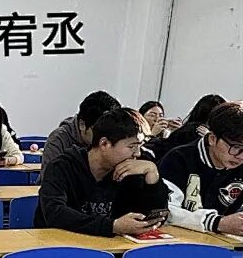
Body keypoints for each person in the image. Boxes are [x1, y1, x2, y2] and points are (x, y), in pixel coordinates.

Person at [35, 108, 169, 237]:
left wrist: (153, 176)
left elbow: (153, 217)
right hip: (58, 244)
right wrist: (112, 226)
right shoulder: (62, 167)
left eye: (140, 146)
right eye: (132, 146)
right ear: (104, 144)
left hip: (110, 247)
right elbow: (55, 213)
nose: (137, 153)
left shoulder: (130, 170)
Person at [160, 101, 243, 238]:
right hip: (180, 241)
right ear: (212, 139)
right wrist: (216, 223)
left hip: (228, 243)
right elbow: (165, 210)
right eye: (236, 147)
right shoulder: (179, 159)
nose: (242, 156)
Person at [41, 90, 121, 178]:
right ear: (82, 125)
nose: (105, 139)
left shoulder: (115, 141)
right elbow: (50, 179)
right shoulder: (58, 140)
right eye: (99, 131)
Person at [144, 94, 225, 162]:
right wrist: (152, 135)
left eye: (161, 115)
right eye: (152, 115)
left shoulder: (189, 130)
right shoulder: (194, 132)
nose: (157, 119)